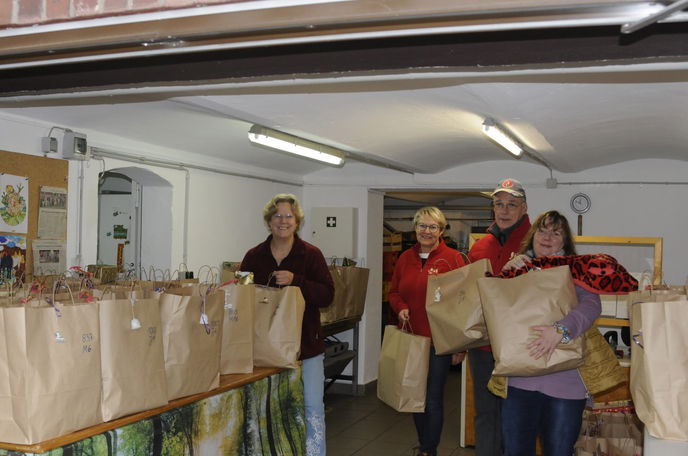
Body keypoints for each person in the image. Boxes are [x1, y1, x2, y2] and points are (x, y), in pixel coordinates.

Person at [499, 210, 601, 456]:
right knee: (515, 450)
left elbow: (591, 305)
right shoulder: (518, 268)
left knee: (559, 451)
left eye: (556, 233)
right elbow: (495, 310)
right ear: (533, 235)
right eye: (542, 230)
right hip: (520, 379)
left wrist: (561, 331)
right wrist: (504, 275)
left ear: (564, 241)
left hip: (565, 382)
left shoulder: (575, 270)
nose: (547, 237)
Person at [240, 193, 334, 456]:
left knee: (312, 407)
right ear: (269, 221)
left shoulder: (311, 255)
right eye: (278, 215)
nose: (283, 221)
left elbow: (327, 295)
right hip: (264, 350)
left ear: (297, 221)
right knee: (270, 410)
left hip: (306, 348)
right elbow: (241, 296)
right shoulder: (254, 256)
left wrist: (297, 280)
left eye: (288, 216)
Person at [388, 206, 467, 456]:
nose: (427, 231)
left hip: (438, 341)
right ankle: (424, 444)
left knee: (432, 399)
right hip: (411, 339)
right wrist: (400, 307)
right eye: (422, 225)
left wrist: (460, 345)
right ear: (415, 228)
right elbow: (394, 292)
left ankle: (428, 450)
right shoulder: (404, 258)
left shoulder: (453, 259)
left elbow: (463, 304)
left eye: (433, 226)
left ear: (441, 230)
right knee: (415, 396)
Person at [467, 178, 531, 456]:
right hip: (483, 344)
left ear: (524, 207)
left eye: (512, 205)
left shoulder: (536, 241)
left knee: (516, 414)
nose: (504, 211)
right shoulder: (479, 247)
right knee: (486, 410)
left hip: (520, 345)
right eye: (499, 204)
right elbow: (468, 296)